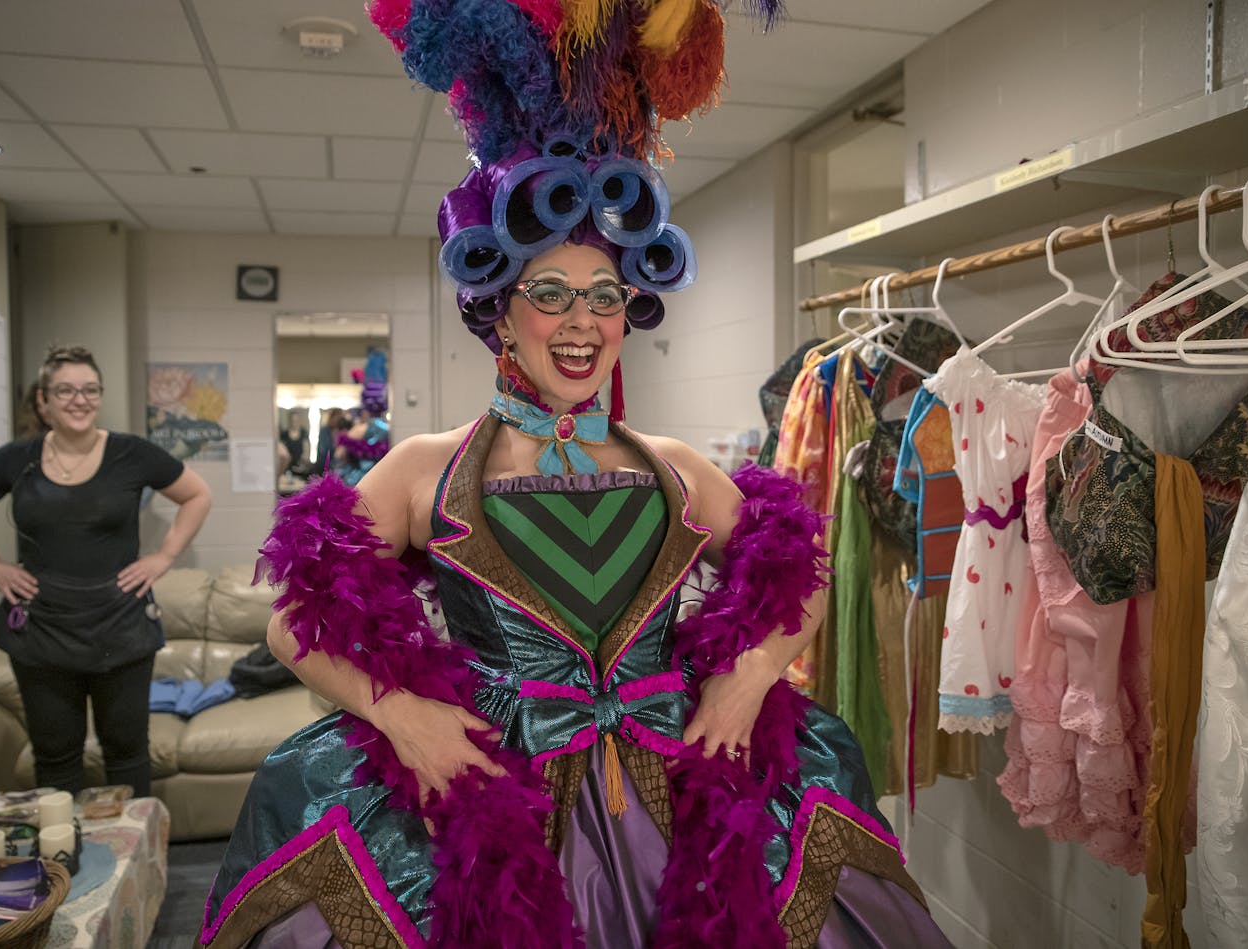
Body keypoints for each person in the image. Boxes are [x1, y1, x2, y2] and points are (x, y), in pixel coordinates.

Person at [199, 2, 952, 946]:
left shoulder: (671, 468)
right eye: (550, 295)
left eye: (604, 297)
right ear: (500, 314)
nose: (582, 322)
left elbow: (802, 574)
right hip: (494, 814)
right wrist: (405, 719)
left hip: (681, 804)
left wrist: (750, 676)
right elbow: (293, 621)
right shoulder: (422, 470)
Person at [0, 345, 211, 797]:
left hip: (121, 625)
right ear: (43, 401)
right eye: (65, 391)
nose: (79, 400)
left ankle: (135, 857)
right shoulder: (16, 459)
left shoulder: (131, 453)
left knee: (126, 751)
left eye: (89, 390)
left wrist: (163, 556)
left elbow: (197, 494)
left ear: (100, 397)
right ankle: (63, 863)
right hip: (42, 629)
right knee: (55, 754)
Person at [334, 350, 391, 486]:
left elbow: (338, 456)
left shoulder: (357, 431)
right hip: (382, 484)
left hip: (358, 484)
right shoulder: (389, 431)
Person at [279, 408, 311, 478]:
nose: (294, 423)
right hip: (287, 468)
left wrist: (304, 463)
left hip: (301, 468)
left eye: (296, 421)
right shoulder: (284, 434)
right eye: (292, 421)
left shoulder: (303, 433)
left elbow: (306, 450)